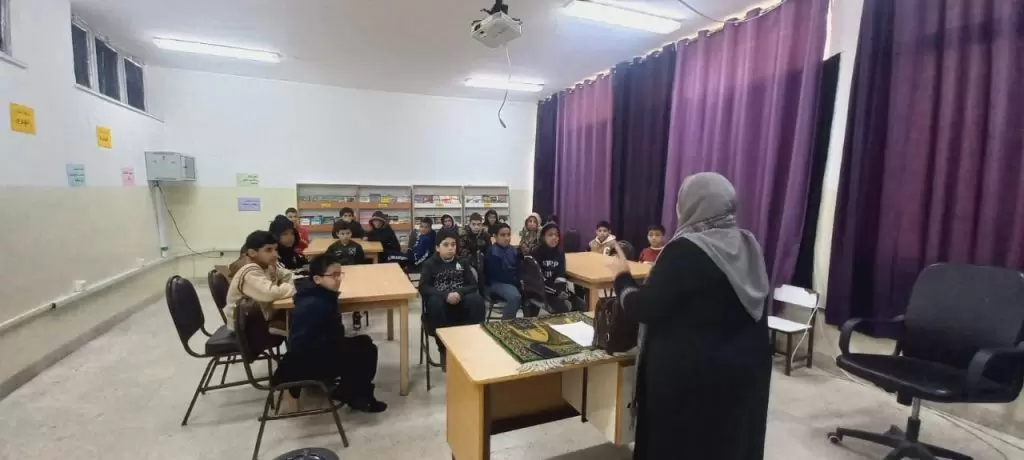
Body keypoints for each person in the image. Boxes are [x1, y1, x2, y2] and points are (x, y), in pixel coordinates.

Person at [606, 172, 771, 460]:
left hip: (692, 378)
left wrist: (622, 278)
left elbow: (644, 308)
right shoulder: (749, 244)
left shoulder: (685, 250)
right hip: (744, 372)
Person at [274, 255, 387, 412]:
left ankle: (351, 392)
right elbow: (306, 343)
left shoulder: (316, 294)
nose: (338, 279)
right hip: (308, 360)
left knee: (364, 342)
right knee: (366, 351)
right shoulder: (315, 303)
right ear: (317, 279)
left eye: (340, 274)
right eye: (334, 275)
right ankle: (356, 396)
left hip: (316, 349)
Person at [418, 230, 487, 356]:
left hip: (461, 304)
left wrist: (459, 293)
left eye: (453, 244)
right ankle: (443, 349)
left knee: (477, 300)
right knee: (435, 302)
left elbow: (473, 285)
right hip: (440, 307)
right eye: (446, 245)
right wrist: (445, 295)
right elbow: (423, 287)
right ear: (437, 247)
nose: (450, 248)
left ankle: (472, 342)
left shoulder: (462, 262)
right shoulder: (429, 264)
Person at [225, 230, 296, 331]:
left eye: (276, 249)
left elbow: (287, 274)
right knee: (302, 323)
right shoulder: (249, 271)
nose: (275, 254)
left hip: (261, 318)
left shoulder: (266, 266)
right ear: (252, 253)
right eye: (268, 250)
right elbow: (271, 293)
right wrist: (294, 287)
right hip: (246, 327)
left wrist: (287, 285)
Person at [533, 222, 585, 313]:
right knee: (564, 307)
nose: (554, 237)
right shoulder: (537, 252)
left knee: (581, 305)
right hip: (543, 291)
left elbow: (561, 275)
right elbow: (538, 279)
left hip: (556, 290)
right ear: (543, 237)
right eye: (550, 235)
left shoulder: (560, 253)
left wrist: (561, 291)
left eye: (556, 235)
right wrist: (556, 291)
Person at [485, 223, 522, 319]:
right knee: (515, 297)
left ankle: (529, 321)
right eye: (502, 235)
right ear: (495, 236)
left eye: (508, 235)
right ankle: (506, 322)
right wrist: (517, 282)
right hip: (497, 283)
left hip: (512, 281)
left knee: (531, 292)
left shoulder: (514, 250)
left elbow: (519, 268)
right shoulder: (492, 252)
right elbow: (498, 275)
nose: (506, 238)